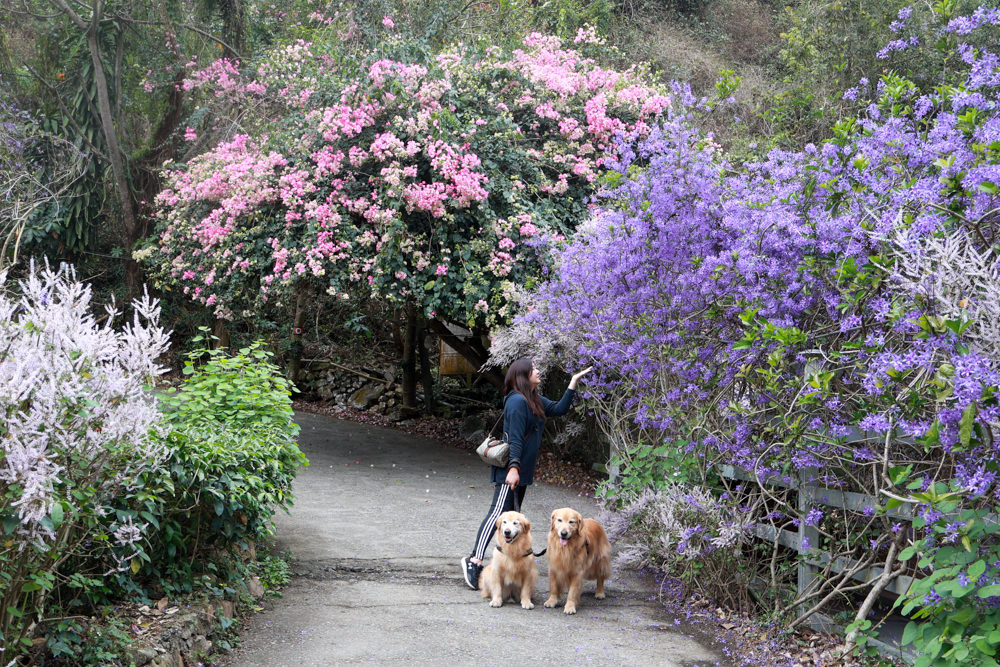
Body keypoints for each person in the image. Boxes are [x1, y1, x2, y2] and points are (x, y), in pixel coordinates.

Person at [461, 358, 592, 590]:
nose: (538, 371)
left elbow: (559, 409)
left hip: (520, 470)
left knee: (512, 518)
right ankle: (474, 561)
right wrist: (513, 467)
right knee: (498, 515)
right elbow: (515, 438)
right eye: (533, 369)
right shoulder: (517, 403)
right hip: (511, 470)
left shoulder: (533, 400)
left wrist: (573, 381)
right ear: (522, 376)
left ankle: (509, 566)